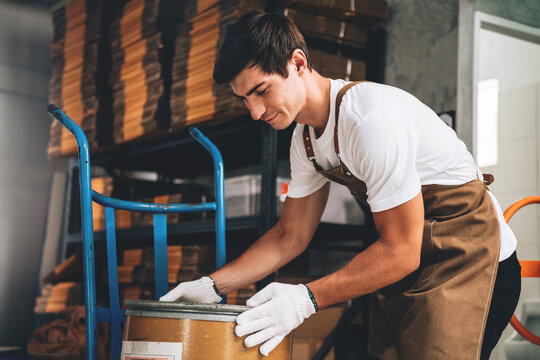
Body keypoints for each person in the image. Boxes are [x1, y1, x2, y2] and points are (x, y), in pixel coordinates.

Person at [160, 10, 521, 360]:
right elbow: (291, 235)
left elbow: (400, 250)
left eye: (261, 91)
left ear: (297, 64)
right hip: (418, 264)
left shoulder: (369, 121)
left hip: (475, 263)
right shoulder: (305, 141)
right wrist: (212, 285)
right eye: (245, 100)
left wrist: (304, 300)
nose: (255, 112)